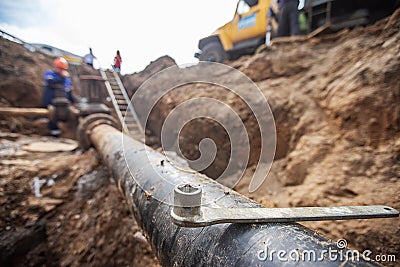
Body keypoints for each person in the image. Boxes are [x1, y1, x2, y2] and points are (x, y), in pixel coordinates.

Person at [41, 57, 76, 137]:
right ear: (55, 67)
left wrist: (74, 101)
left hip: (63, 102)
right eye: (60, 68)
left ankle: (65, 131)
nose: (61, 70)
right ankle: (53, 132)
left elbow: (69, 91)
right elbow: (50, 82)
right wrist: (62, 77)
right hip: (50, 99)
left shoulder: (67, 79)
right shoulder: (49, 74)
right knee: (52, 115)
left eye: (62, 69)